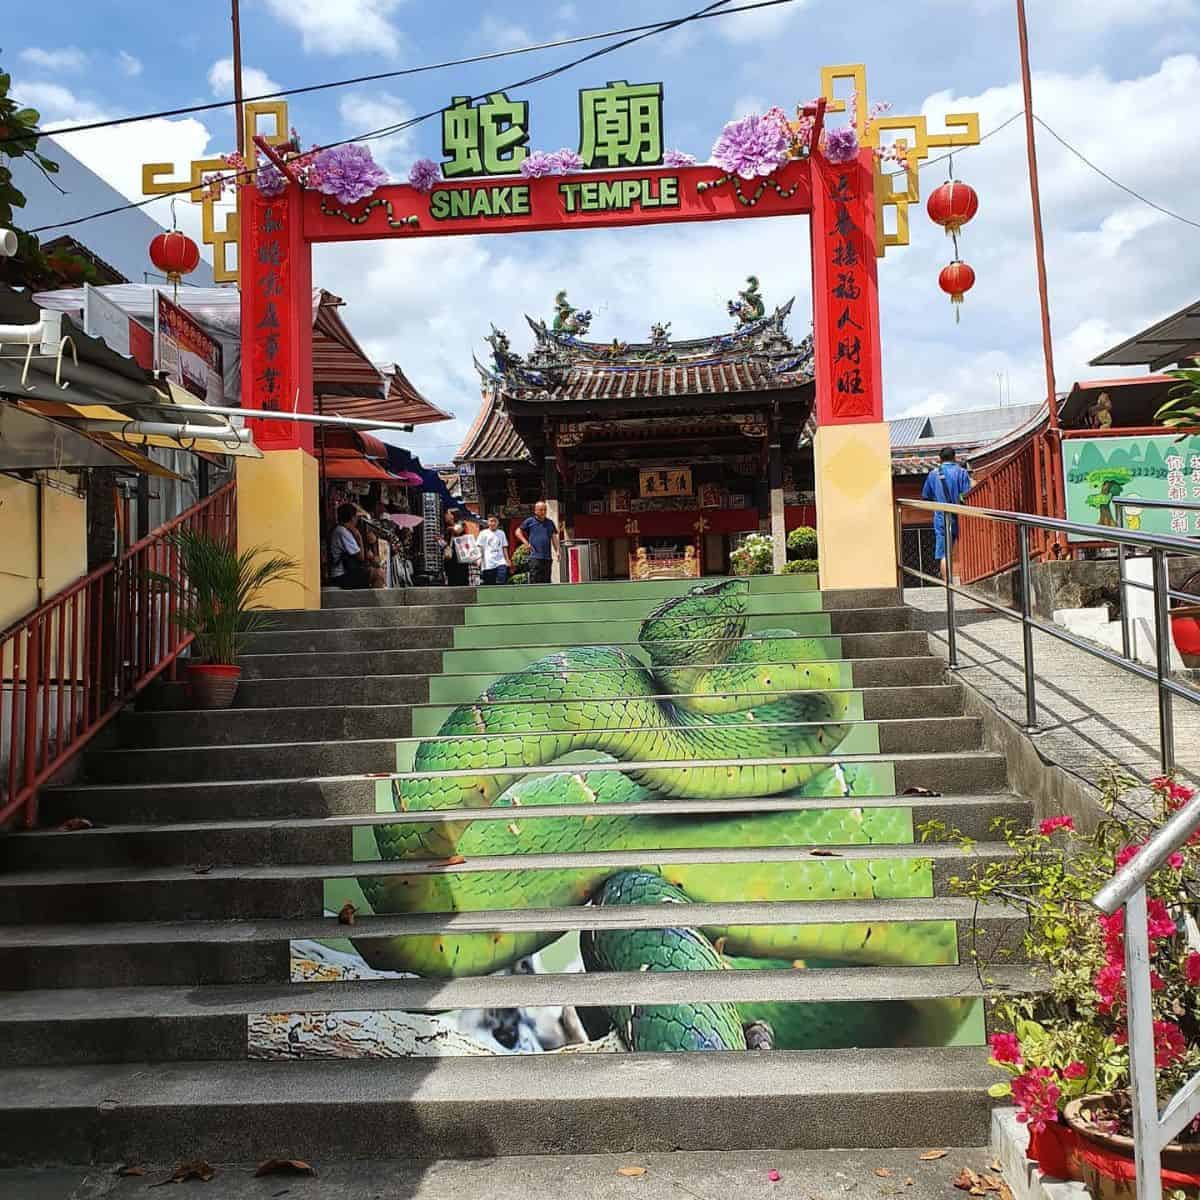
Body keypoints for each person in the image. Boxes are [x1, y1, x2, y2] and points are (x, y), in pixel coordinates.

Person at [922, 447, 972, 581]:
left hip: (941, 516)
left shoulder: (933, 474)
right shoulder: (962, 473)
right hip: (959, 515)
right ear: (954, 457)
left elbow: (925, 496)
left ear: (940, 459)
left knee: (944, 552)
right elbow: (967, 494)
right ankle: (965, 577)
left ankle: (947, 583)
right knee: (963, 547)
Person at [328, 503, 372, 589]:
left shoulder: (341, 529)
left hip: (346, 572)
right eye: (356, 517)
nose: (357, 519)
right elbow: (361, 557)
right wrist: (359, 537)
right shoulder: (342, 531)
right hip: (341, 576)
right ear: (352, 517)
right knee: (378, 574)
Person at [516, 500, 559, 585]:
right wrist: (526, 543)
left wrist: (557, 550)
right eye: (541, 510)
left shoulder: (550, 522)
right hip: (535, 556)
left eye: (545, 510)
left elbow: (554, 537)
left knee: (546, 580)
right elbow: (518, 532)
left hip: (547, 557)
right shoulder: (530, 521)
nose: (543, 512)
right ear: (535, 510)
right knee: (535, 580)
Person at [477, 514, 512, 585]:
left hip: (500, 561)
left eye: (495, 521)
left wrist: (507, 559)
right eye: (491, 521)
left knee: (501, 580)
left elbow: (504, 547)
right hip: (488, 562)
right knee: (489, 583)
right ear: (488, 522)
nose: (493, 523)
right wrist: (479, 558)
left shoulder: (501, 533)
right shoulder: (483, 533)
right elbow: (480, 547)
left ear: (498, 522)